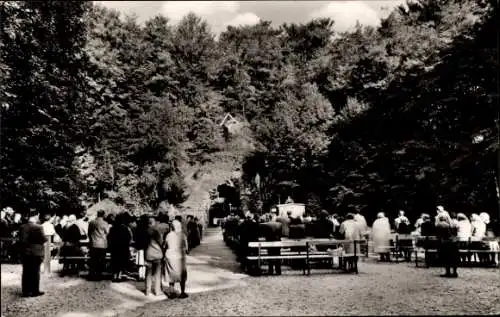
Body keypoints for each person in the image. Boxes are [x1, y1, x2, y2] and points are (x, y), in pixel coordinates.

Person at [19, 214, 47, 297]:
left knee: (26, 271)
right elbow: (44, 239)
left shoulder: (22, 227)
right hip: (36, 252)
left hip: (25, 252)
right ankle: (35, 291)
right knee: (35, 271)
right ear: (35, 219)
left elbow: (21, 240)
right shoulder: (39, 227)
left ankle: (26, 292)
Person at [164, 219, 189, 299]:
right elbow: (186, 247)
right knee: (182, 274)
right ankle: (182, 292)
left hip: (170, 256)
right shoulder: (182, 235)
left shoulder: (168, 235)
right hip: (180, 257)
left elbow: (165, 245)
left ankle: (171, 292)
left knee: (171, 274)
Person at [108, 213, 132, 282]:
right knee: (121, 262)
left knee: (115, 262)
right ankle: (119, 276)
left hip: (115, 248)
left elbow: (109, 238)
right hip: (123, 248)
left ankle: (115, 276)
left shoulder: (112, 228)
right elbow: (129, 238)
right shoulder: (125, 228)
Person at [144, 215, 164, 297]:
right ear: (154, 222)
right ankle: (157, 290)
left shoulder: (145, 231)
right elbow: (161, 242)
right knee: (157, 274)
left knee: (148, 273)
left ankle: (147, 291)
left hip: (148, 254)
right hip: (157, 254)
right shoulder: (156, 231)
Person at [88, 210, 109, 281]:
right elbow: (107, 232)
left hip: (93, 243)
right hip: (102, 244)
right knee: (101, 260)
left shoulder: (92, 222)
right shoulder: (105, 223)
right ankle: (98, 275)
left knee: (93, 260)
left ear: (97, 214)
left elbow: (89, 232)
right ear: (103, 215)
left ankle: (92, 275)